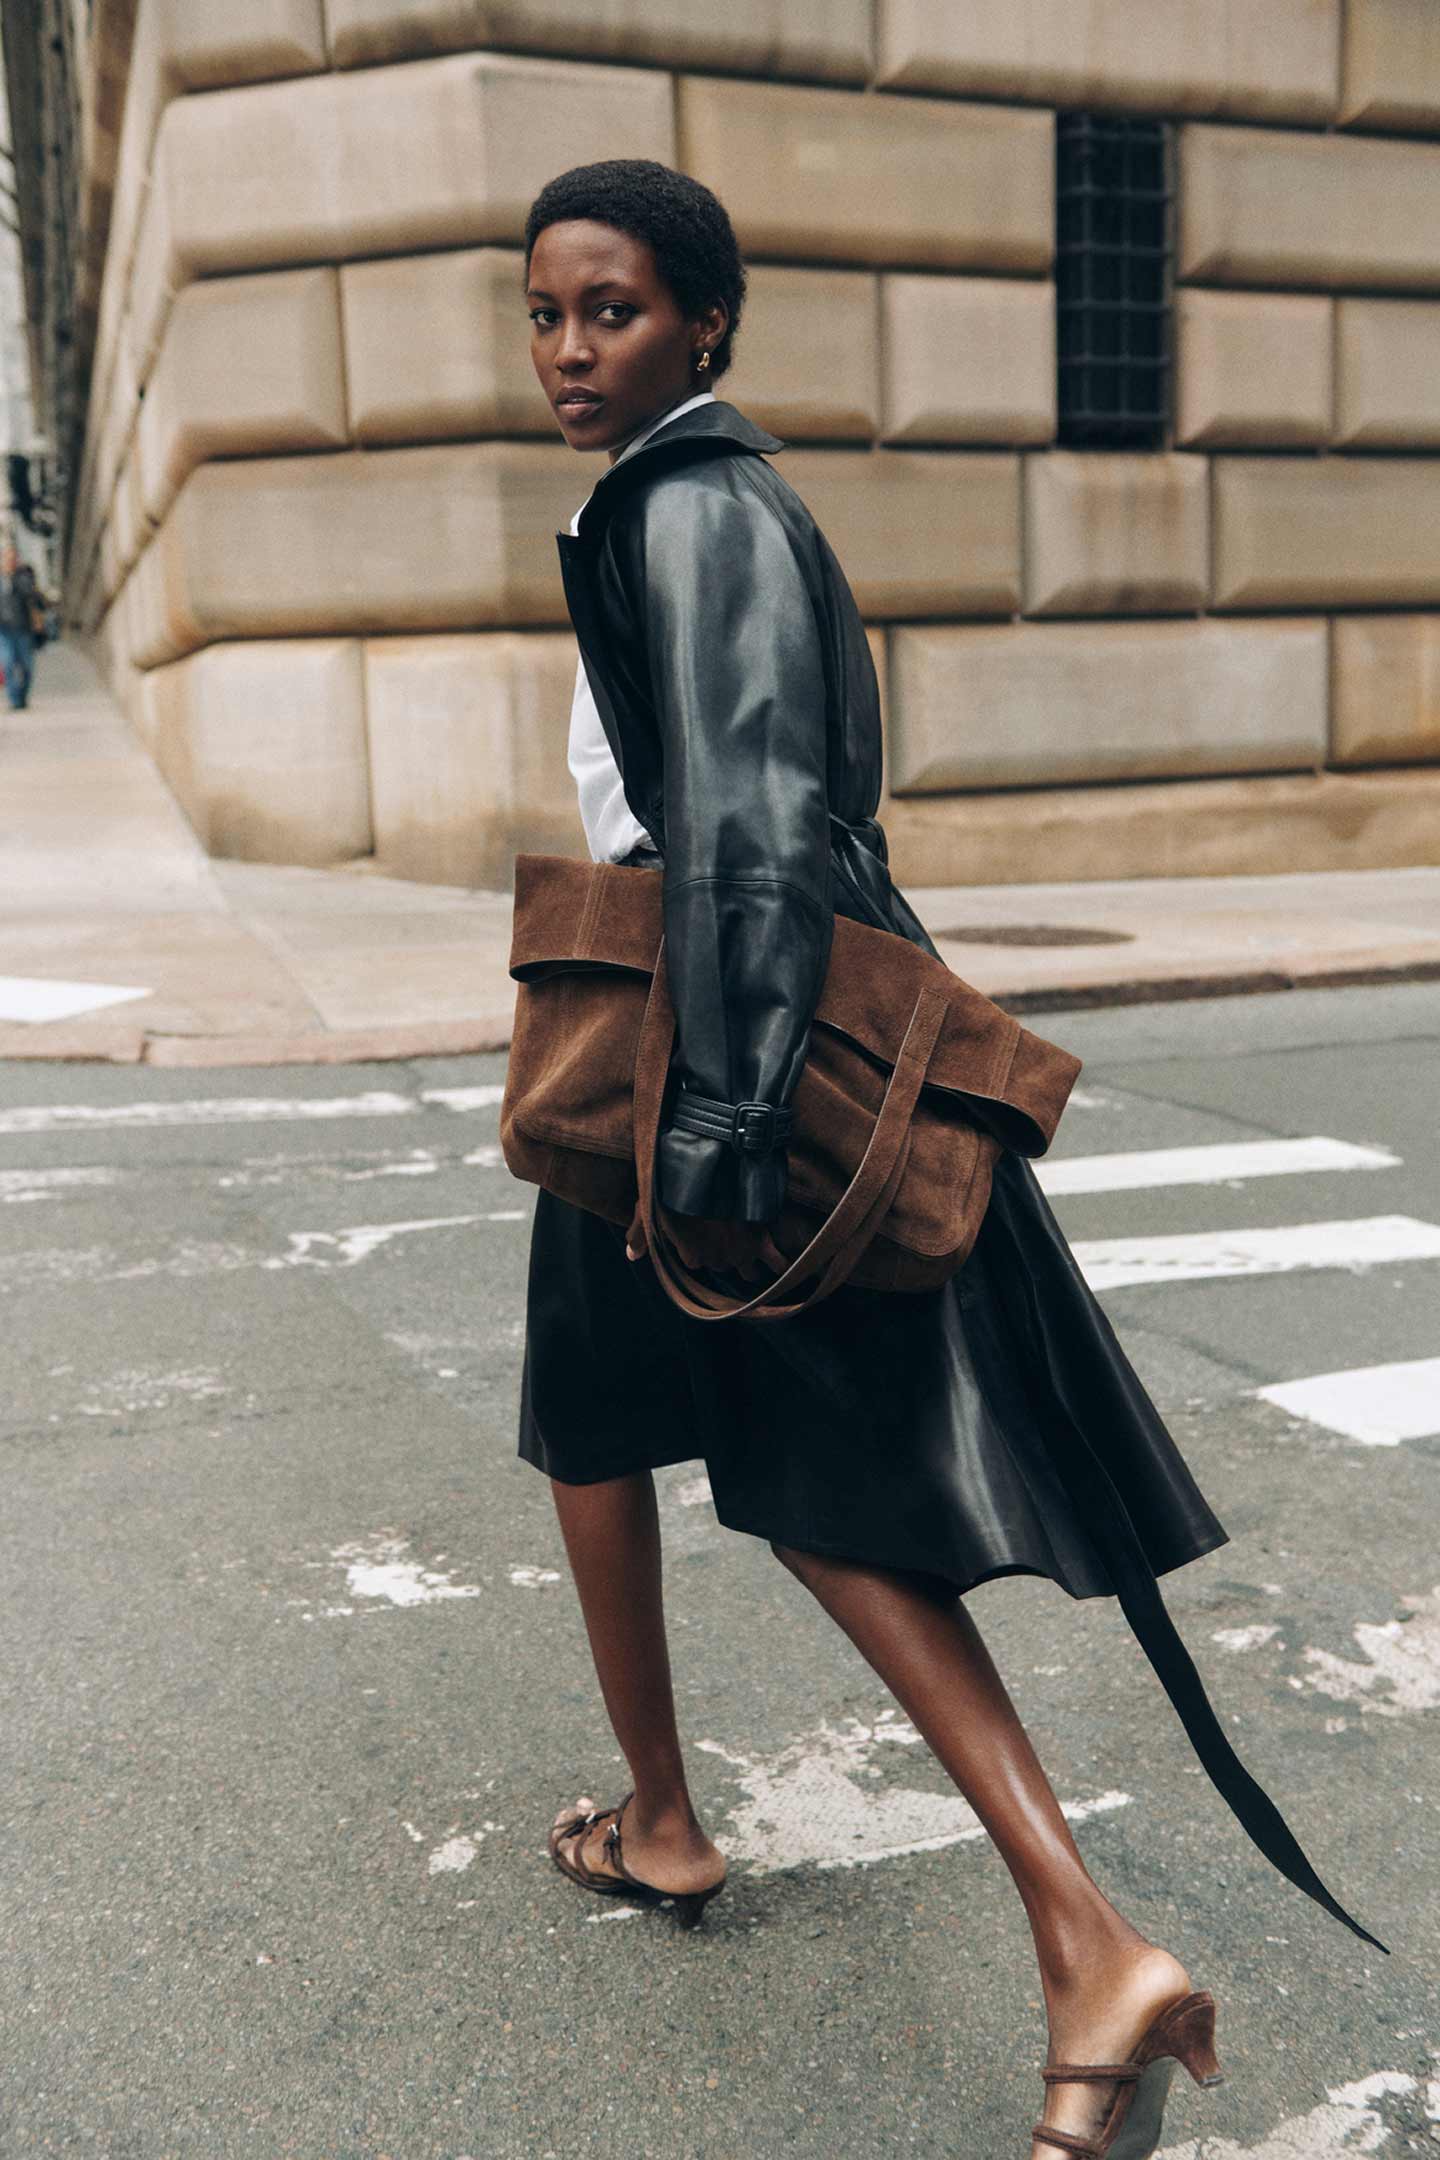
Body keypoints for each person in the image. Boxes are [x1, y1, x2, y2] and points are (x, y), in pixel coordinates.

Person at [515, 159, 1387, 2160]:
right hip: (678, 1032)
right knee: (602, 1416)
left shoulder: (700, 503)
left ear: (705, 325)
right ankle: (667, 1820)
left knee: (793, 1470)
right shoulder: (666, 497)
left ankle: (1081, 1940)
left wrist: (727, 1122)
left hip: (702, 1054)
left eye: (614, 310)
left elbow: (749, 818)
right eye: (548, 312)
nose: (572, 348)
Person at [0, 543, 43, 709]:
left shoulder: (23, 578)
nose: (9, 562)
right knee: (8, 663)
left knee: (27, 666)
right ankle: (14, 700)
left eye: (12, 559)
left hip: (23, 628)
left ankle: (23, 695)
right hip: (3, 630)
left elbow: (35, 599)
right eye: (6, 558)